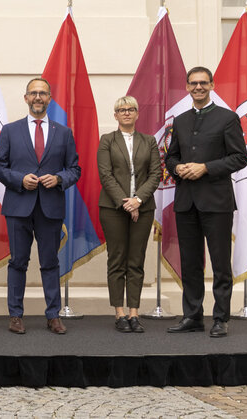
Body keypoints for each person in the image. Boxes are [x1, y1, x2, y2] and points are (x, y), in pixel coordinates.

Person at [0, 77, 81, 335]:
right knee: (18, 262)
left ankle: (53, 315)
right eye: (33, 93)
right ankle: (15, 315)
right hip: (18, 207)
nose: (38, 97)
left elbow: (75, 169)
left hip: (50, 207)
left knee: (50, 263)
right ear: (26, 98)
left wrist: (59, 178)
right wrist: (19, 179)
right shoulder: (10, 130)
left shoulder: (63, 133)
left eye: (43, 93)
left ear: (50, 99)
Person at [165, 66, 247, 338]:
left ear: (212, 85)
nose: (198, 87)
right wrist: (178, 168)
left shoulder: (227, 118)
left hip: (217, 202)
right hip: (186, 201)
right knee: (190, 263)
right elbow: (171, 156)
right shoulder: (181, 120)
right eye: (193, 83)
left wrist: (205, 168)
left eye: (203, 83)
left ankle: (221, 318)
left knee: (220, 262)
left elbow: (239, 157)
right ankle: (192, 316)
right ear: (187, 87)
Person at [96, 95, 161, 333]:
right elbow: (106, 175)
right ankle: (119, 313)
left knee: (136, 260)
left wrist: (138, 201)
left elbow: (156, 174)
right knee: (117, 259)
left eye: (130, 109)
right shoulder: (107, 141)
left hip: (143, 208)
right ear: (115, 115)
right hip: (113, 209)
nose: (126, 113)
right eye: (121, 110)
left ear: (137, 113)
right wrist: (127, 203)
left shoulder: (149, 141)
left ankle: (134, 312)